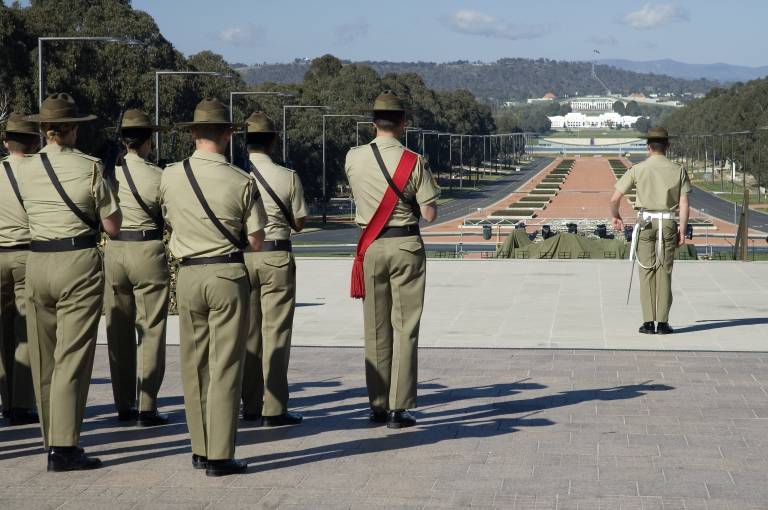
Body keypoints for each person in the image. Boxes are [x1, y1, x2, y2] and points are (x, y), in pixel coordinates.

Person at [160, 98, 267, 476]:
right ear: (229, 133)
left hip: (188, 274)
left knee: (194, 364)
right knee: (225, 367)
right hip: (225, 273)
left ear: (192, 133)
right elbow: (256, 241)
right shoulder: (241, 180)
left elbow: (168, 219)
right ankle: (220, 453)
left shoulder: (170, 176)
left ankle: (200, 447)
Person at [19, 93, 122, 471]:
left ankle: (51, 438)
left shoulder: (22, 169)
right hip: (77, 261)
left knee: (44, 359)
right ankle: (63, 447)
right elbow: (112, 225)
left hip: (36, 260)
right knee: (71, 358)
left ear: (43, 130)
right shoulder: (91, 167)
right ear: (74, 129)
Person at [344, 91, 440, 429]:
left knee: (375, 328)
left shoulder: (353, 157)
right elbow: (429, 214)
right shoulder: (413, 161)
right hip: (405, 246)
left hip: (370, 247)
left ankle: (377, 404)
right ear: (402, 124)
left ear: (373, 123)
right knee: (406, 327)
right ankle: (400, 409)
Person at [241, 112, 308, 427]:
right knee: (276, 334)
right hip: (276, 255)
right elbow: (299, 222)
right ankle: (274, 407)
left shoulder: (236, 175)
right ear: (273, 141)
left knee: (248, 335)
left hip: (243, 257)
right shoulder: (288, 176)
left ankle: (250, 404)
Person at [104, 109, 170, 426]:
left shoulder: (106, 174)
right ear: (148, 142)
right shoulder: (159, 176)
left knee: (118, 331)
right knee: (151, 330)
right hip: (147, 248)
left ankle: (123, 404)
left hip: (114, 249)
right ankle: (147, 405)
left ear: (122, 140)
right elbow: (170, 216)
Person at [610, 126, 691, 335]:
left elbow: (614, 199)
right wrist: (682, 229)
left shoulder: (638, 169)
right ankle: (663, 323)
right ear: (668, 146)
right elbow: (684, 203)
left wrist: (615, 215)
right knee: (664, 272)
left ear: (648, 147)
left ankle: (648, 323)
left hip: (645, 223)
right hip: (668, 223)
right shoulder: (679, 170)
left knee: (646, 272)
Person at [0, 112, 40, 426]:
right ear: (34, 142)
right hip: (28, 254)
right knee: (26, 331)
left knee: (3, 331)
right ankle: (23, 404)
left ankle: (6, 399)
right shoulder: (40, 171)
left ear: (5, 141)